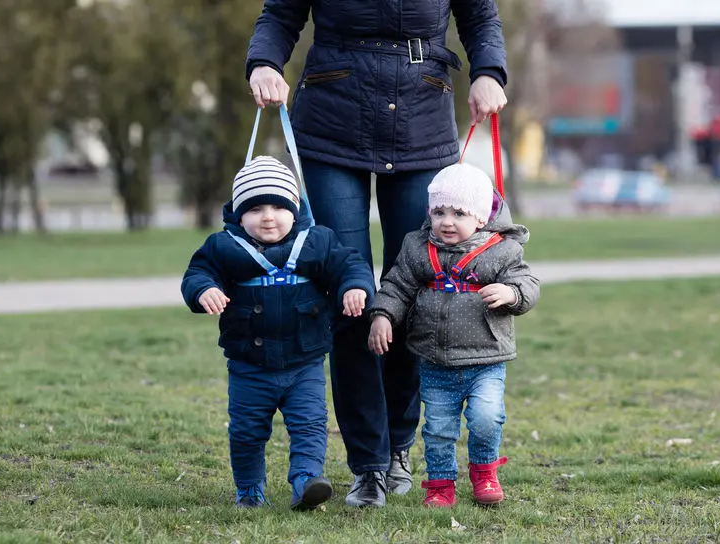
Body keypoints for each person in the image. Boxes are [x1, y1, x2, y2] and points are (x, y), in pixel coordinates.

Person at [246, 0, 509, 508]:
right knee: (351, 294)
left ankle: (399, 447)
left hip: (422, 122)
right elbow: (280, 14)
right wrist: (264, 62)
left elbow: (480, 16)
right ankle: (367, 463)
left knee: (413, 291)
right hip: (331, 121)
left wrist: (488, 71)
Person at [181, 156, 376, 510]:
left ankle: (306, 483)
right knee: (246, 433)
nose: (268, 216)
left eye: (277, 206)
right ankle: (250, 489)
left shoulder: (316, 242)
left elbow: (350, 263)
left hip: (304, 364)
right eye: (255, 208)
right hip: (249, 367)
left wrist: (355, 287)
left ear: (295, 209)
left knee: (310, 427)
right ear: (240, 214)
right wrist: (203, 290)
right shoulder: (223, 247)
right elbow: (197, 273)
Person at [367, 163, 539, 507]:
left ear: (479, 218)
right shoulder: (418, 248)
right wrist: (383, 315)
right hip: (435, 360)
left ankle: (484, 472)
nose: (447, 221)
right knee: (439, 429)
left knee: (486, 419)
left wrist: (511, 294)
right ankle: (441, 485)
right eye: (439, 211)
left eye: (459, 213)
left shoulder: (501, 250)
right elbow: (397, 285)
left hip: (485, 359)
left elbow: (527, 284)